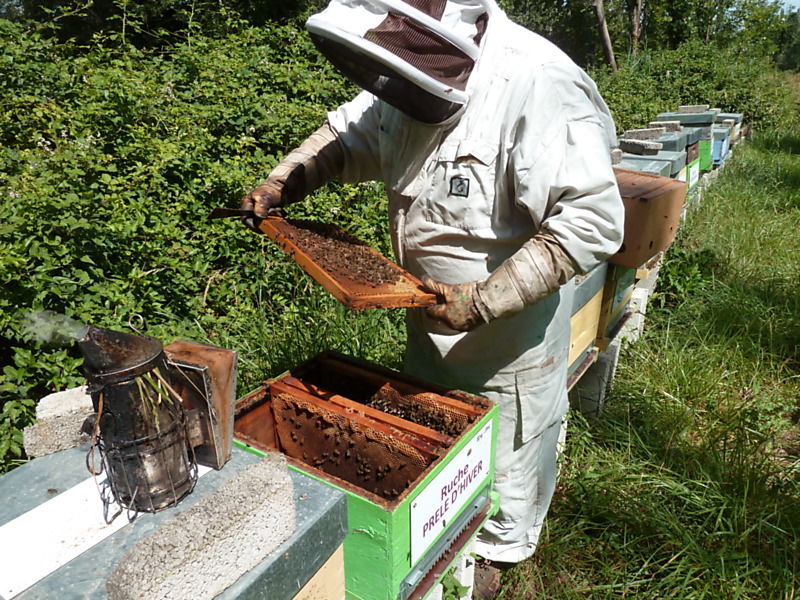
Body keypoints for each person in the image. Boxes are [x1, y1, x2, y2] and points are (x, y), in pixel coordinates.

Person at [241, 1, 624, 597]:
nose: (395, 89)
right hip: (424, 320)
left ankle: (497, 564)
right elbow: (347, 139)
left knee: (505, 473)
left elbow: (593, 221)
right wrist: (283, 179)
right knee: (435, 457)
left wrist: (482, 301)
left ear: (458, 36)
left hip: (508, 343)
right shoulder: (404, 72)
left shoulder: (540, 83)